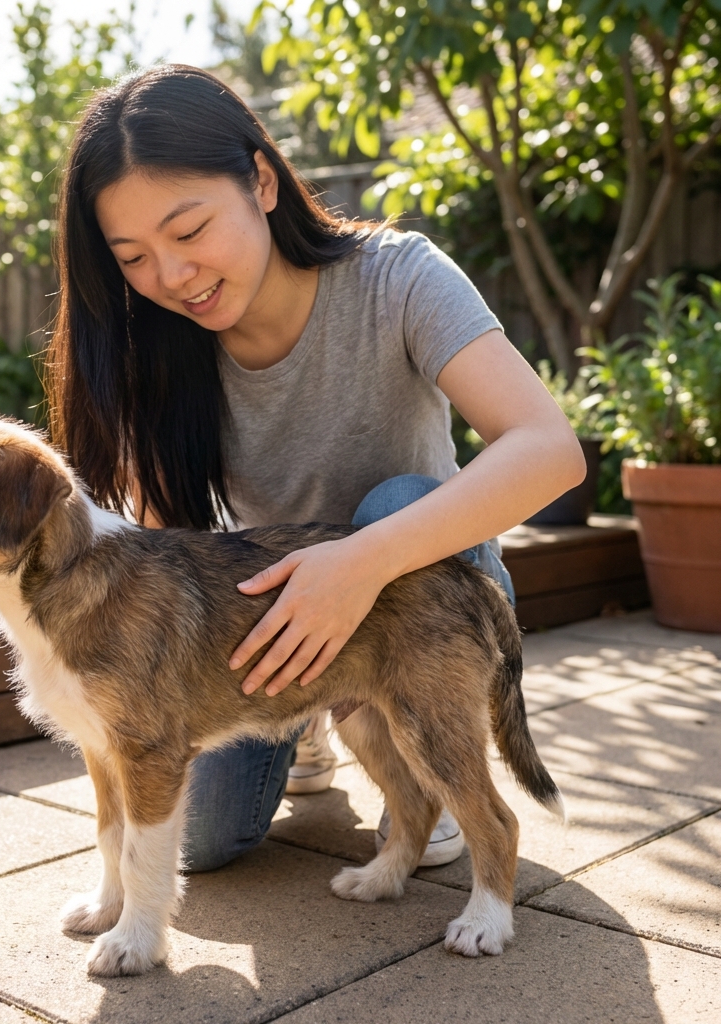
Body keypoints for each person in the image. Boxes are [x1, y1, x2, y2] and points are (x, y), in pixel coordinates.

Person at [48, 65, 585, 873]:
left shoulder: (398, 276)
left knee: (398, 498)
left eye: (189, 231)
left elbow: (550, 450)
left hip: (418, 608)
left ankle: (419, 766)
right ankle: (311, 723)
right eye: (133, 257)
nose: (172, 276)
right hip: (276, 619)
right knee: (198, 842)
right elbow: (162, 551)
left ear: (261, 181)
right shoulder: (153, 346)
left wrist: (360, 566)